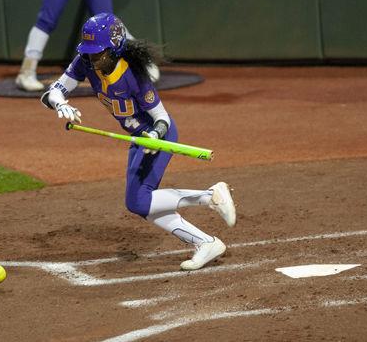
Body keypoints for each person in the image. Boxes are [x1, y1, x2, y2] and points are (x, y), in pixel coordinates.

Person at [41, 13, 237, 270]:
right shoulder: (86, 62)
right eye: (89, 53)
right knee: (142, 203)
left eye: (98, 53)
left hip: (158, 137)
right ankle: (206, 242)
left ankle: (210, 197)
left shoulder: (133, 75)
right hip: (138, 139)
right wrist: (60, 102)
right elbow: (52, 92)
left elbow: (161, 117)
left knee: (138, 201)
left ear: (114, 49)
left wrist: (153, 137)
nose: (92, 58)